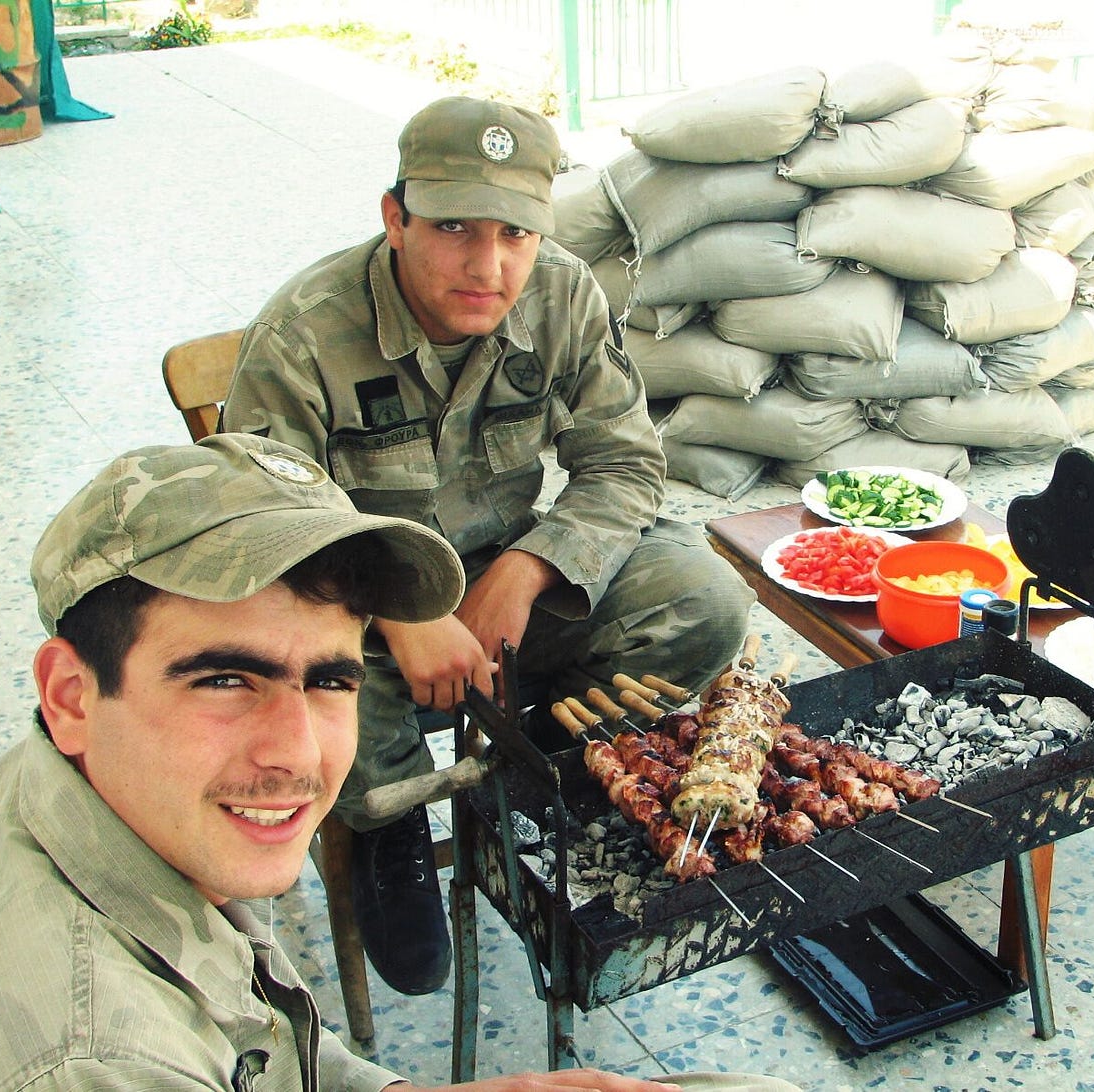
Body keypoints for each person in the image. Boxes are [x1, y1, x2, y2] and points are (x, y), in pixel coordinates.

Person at [0, 434, 794, 1092]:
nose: (297, 755)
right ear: (72, 693)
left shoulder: (108, 800)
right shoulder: (92, 1058)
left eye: (332, 677)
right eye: (225, 679)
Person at [221, 95, 756, 996]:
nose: (488, 263)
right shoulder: (303, 335)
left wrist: (530, 565)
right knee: (301, 670)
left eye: (517, 232)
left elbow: (624, 464)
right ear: (395, 218)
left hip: (507, 587)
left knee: (705, 600)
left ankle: (544, 762)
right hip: (358, 616)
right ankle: (390, 819)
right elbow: (260, 533)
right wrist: (399, 607)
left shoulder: (564, 295)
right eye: (454, 227)